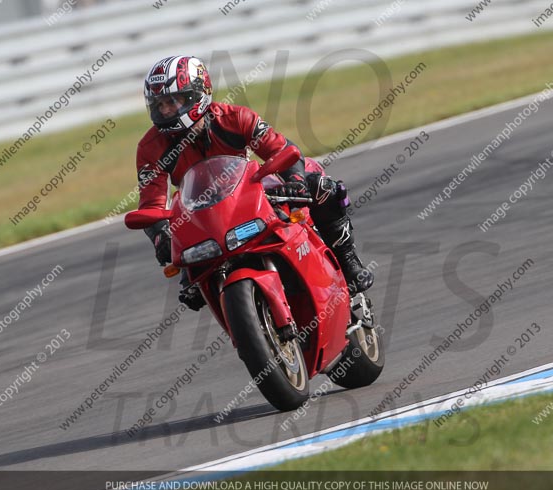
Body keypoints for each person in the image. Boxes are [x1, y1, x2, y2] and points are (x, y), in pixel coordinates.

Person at [136, 55, 374, 311]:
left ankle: (348, 262)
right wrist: (161, 237)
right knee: (191, 289)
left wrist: (294, 181)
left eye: (172, 101)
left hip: (251, 192)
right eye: (158, 104)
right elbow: (152, 203)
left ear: (198, 94)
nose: (164, 111)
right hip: (201, 217)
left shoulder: (235, 118)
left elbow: (281, 149)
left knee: (320, 186)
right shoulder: (150, 148)